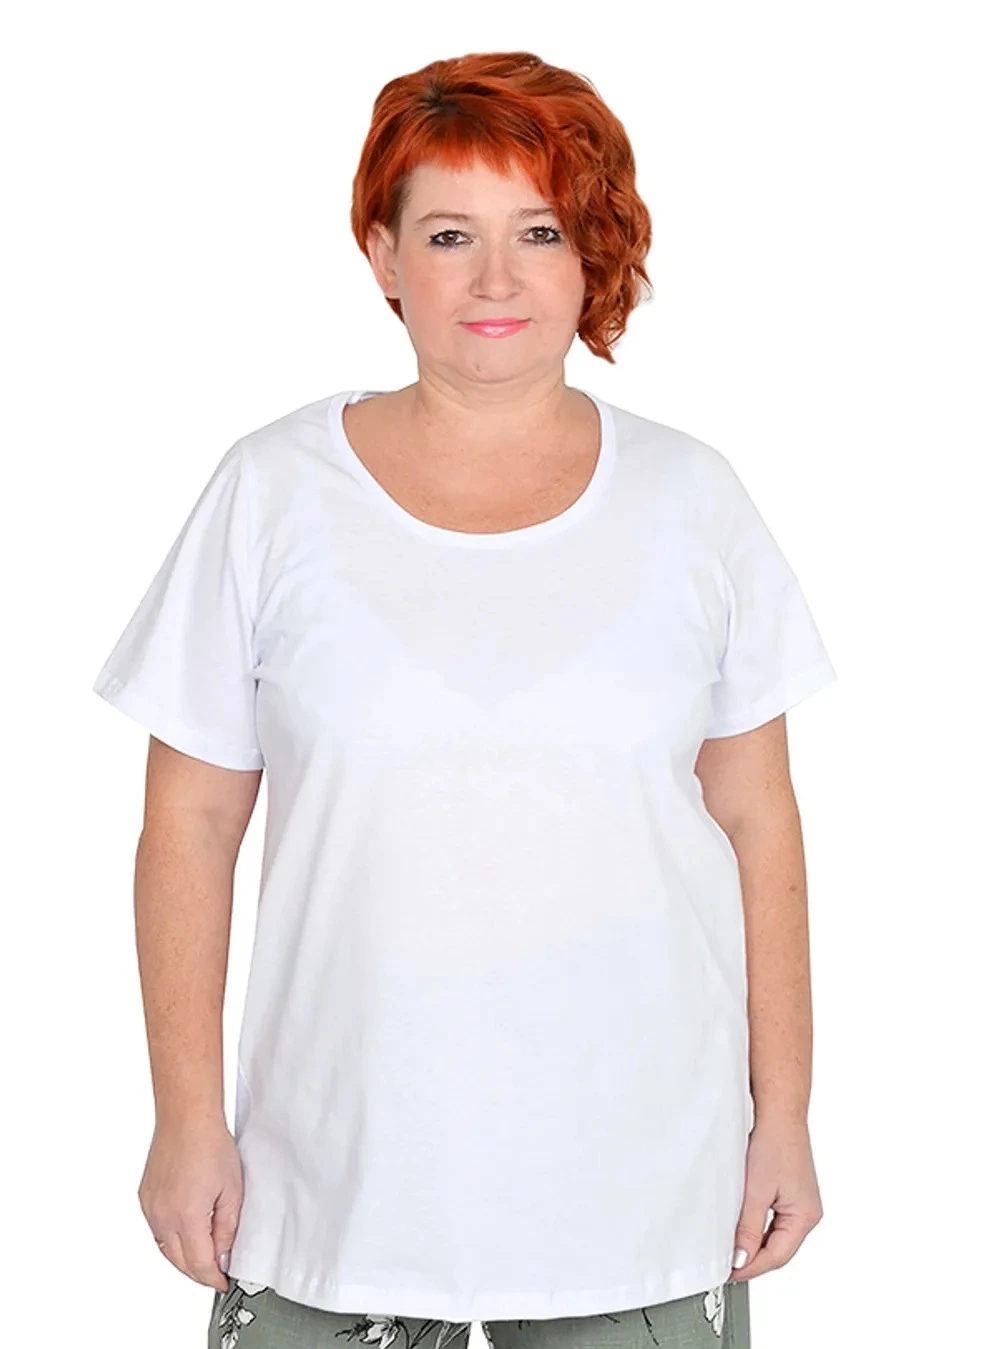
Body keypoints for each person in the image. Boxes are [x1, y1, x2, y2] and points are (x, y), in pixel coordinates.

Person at [91, 51, 837, 1349]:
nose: (497, 279)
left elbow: (757, 821)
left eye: (539, 231)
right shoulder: (270, 494)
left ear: (590, 252)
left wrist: (787, 1119)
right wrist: (186, 1118)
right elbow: (190, 827)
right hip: (332, 1185)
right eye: (450, 234)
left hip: (642, 1190)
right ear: (383, 257)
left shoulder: (694, 502)